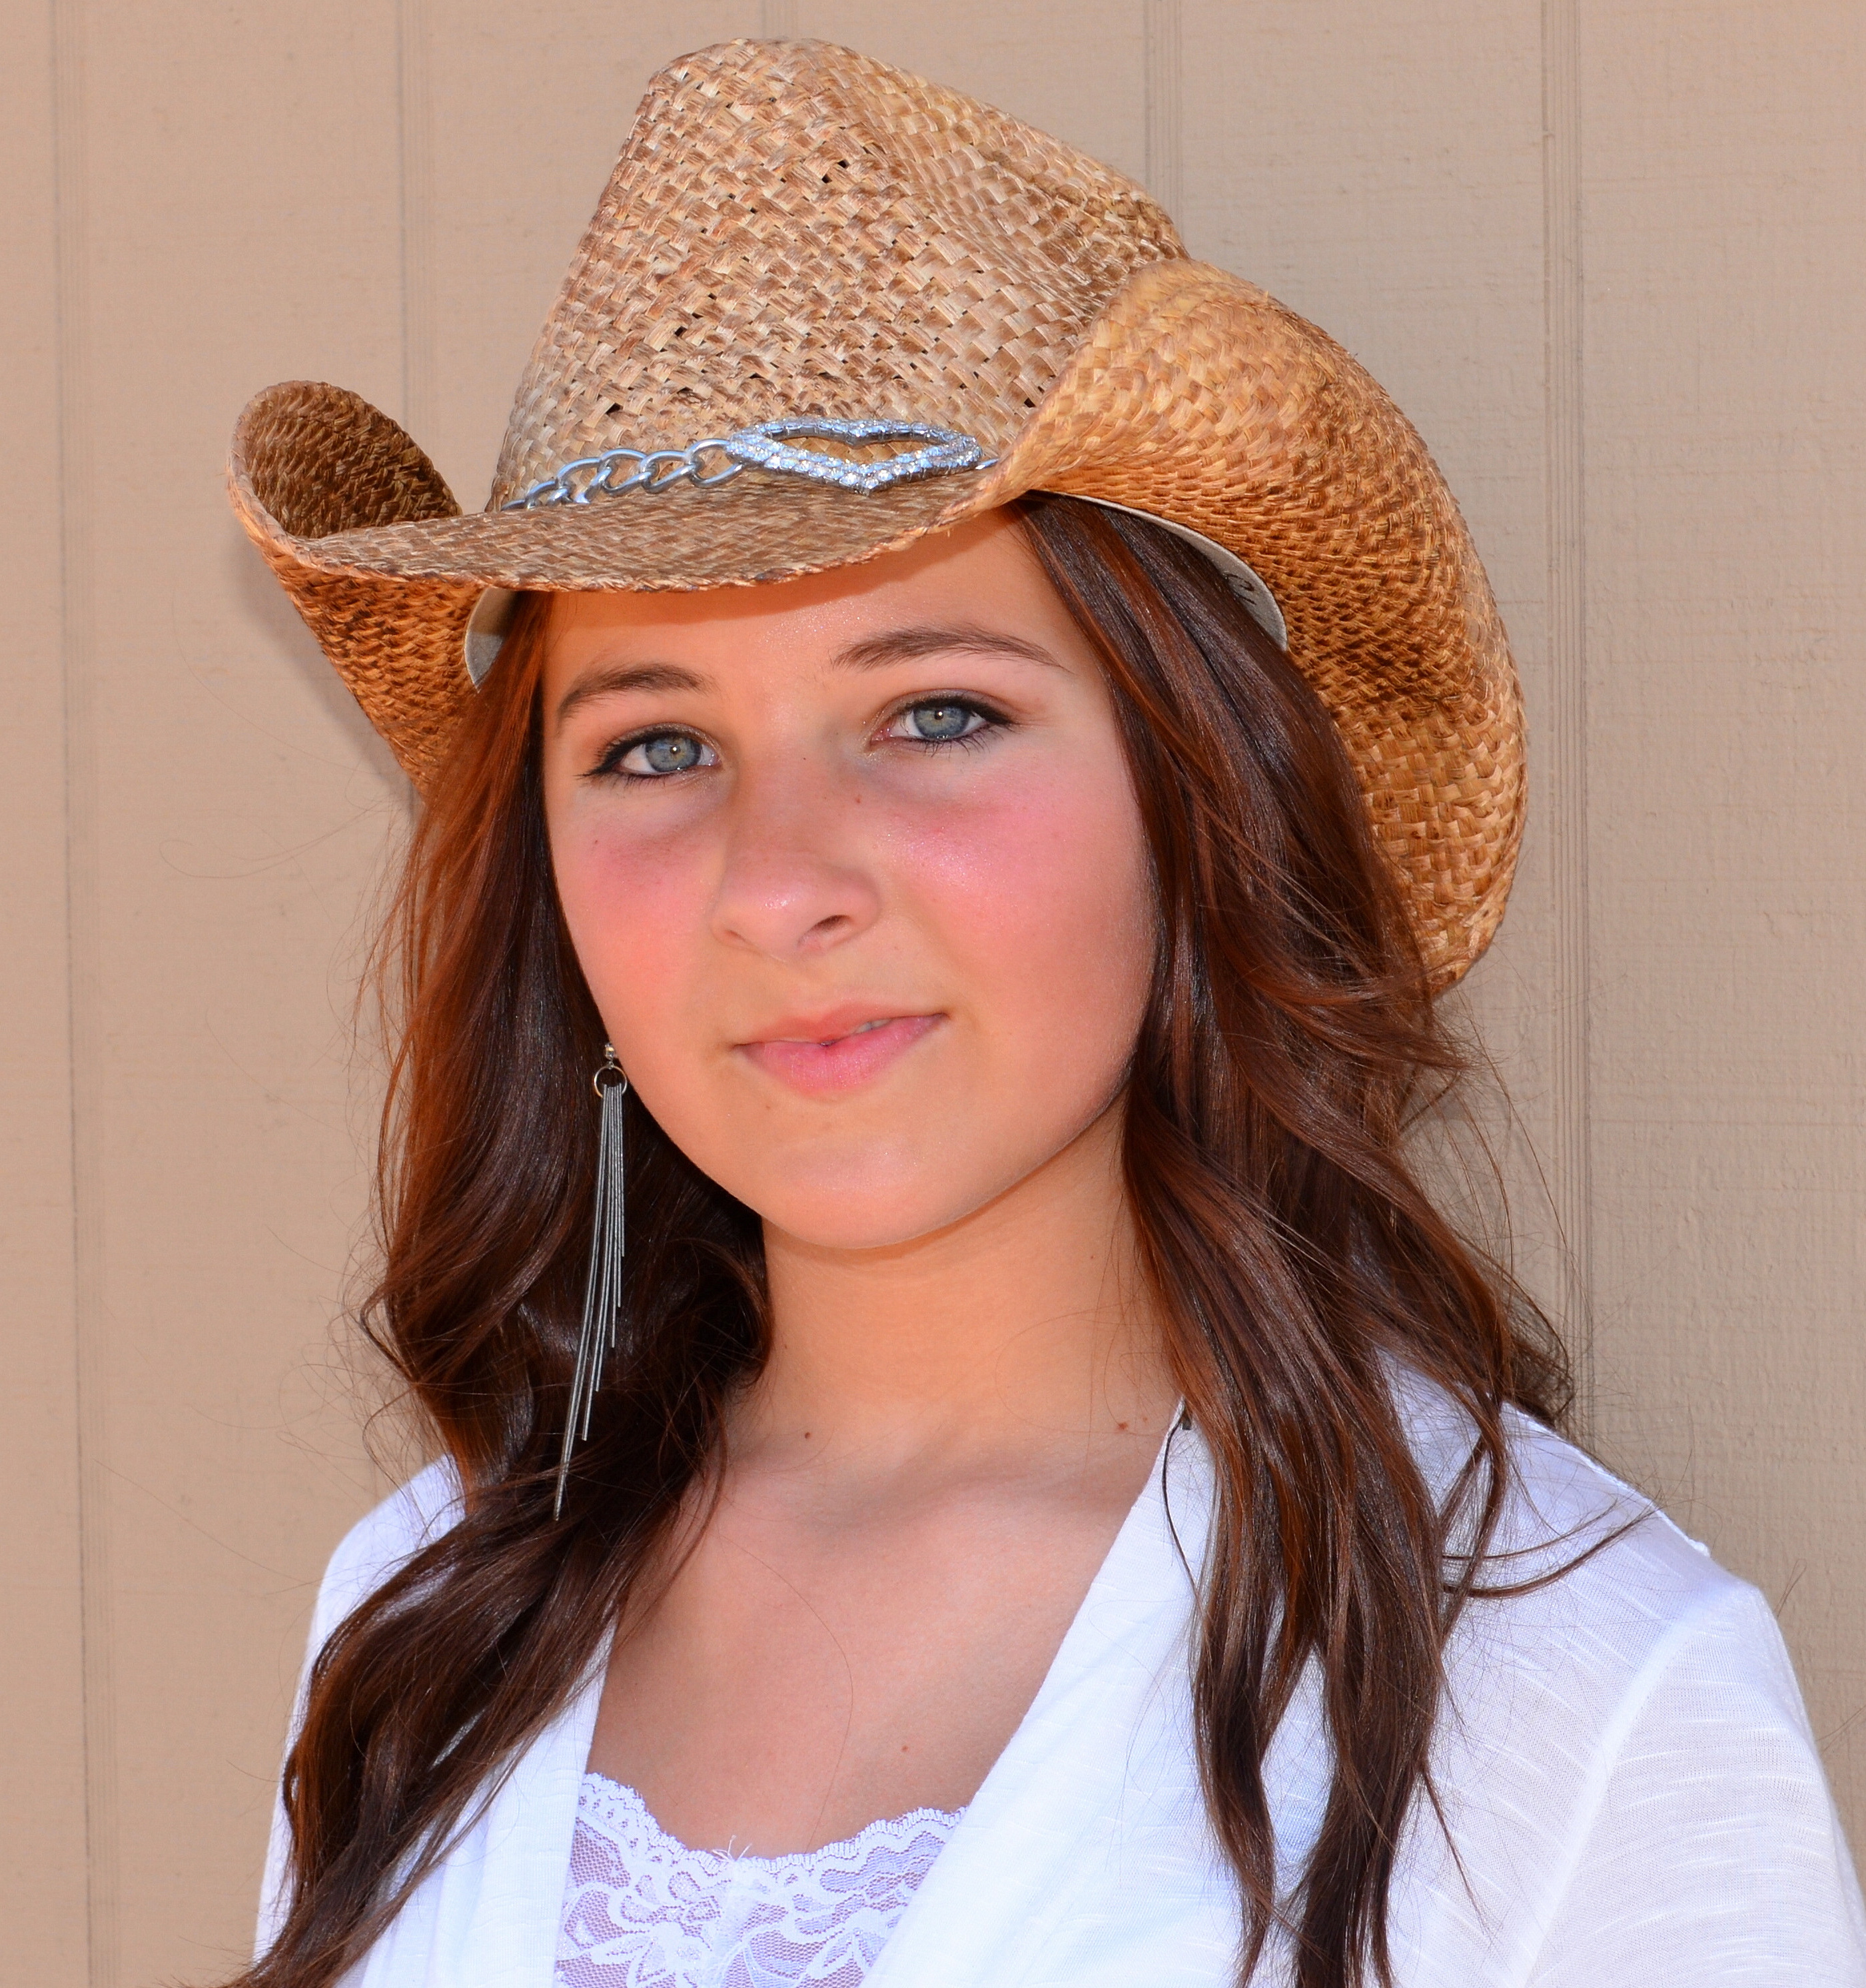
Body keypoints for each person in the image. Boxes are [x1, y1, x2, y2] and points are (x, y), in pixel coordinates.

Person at [224, 37, 1865, 1988]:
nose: (780, 880)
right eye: (654, 744)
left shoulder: (1560, 1695)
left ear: (1202, 807)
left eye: (935, 713)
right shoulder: (426, 1613)